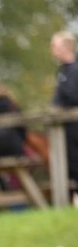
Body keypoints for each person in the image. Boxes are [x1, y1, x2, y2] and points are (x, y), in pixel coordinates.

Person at [50, 31, 78, 186]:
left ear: (65, 47)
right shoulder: (63, 72)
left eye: (55, 46)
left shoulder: (74, 70)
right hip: (66, 130)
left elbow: (73, 96)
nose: (52, 50)